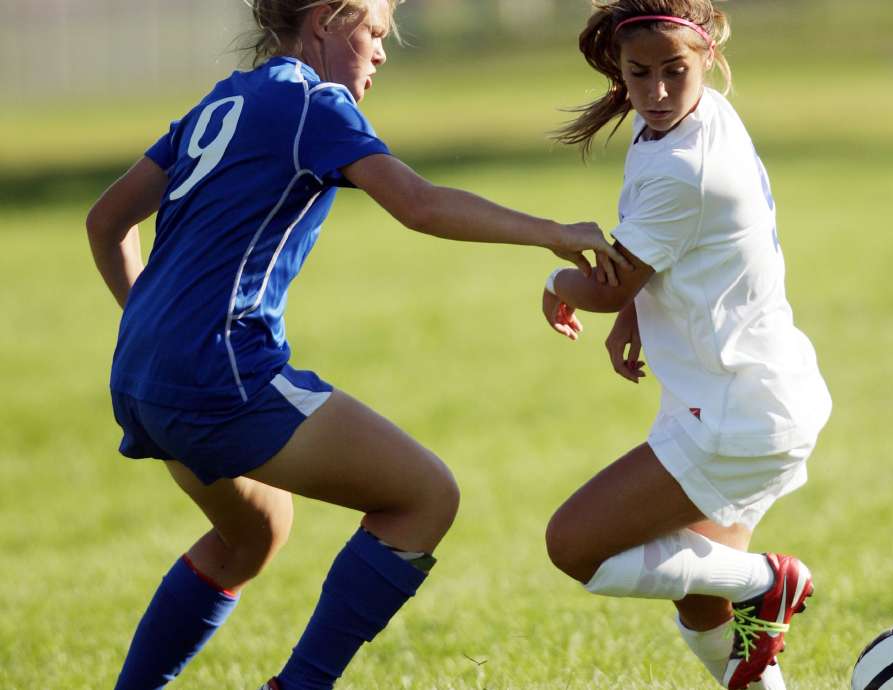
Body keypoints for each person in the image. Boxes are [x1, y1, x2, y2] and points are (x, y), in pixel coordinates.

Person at [85, 1, 628, 688]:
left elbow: (106, 222)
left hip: (141, 376)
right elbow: (418, 204)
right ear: (323, 22)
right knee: (425, 497)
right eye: (372, 31)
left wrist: (154, 330)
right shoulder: (315, 104)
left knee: (251, 534)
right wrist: (551, 229)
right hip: (217, 374)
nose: (381, 52)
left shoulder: (224, 100)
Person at [539, 2, 833, 689]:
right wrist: (640, 314)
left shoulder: (682, 165)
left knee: (575, 545)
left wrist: (556, 280)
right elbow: (682, 253)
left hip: (736, 412)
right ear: (618, 68)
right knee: (703, 602)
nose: (659, 92)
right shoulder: (705, 118)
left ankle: (771, 581)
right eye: (640, 74)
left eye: (676, 72)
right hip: (755, 393)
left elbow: (608, 285)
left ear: (708, 56)